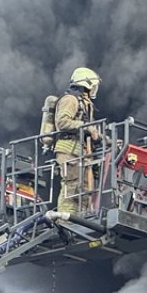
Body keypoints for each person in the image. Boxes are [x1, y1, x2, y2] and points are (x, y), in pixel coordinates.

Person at [54, 67, 102, 213]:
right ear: (85, 84)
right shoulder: (70, 100)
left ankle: (79, 217)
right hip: (69, 149)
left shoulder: (86, 104)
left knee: (85, 187)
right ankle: (65, 219)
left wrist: (108, 140)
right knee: (72, 185)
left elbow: (91, 129)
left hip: (81, 151)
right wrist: (85, 127)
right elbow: (61, 122)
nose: (94, 90)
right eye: (93, 86)